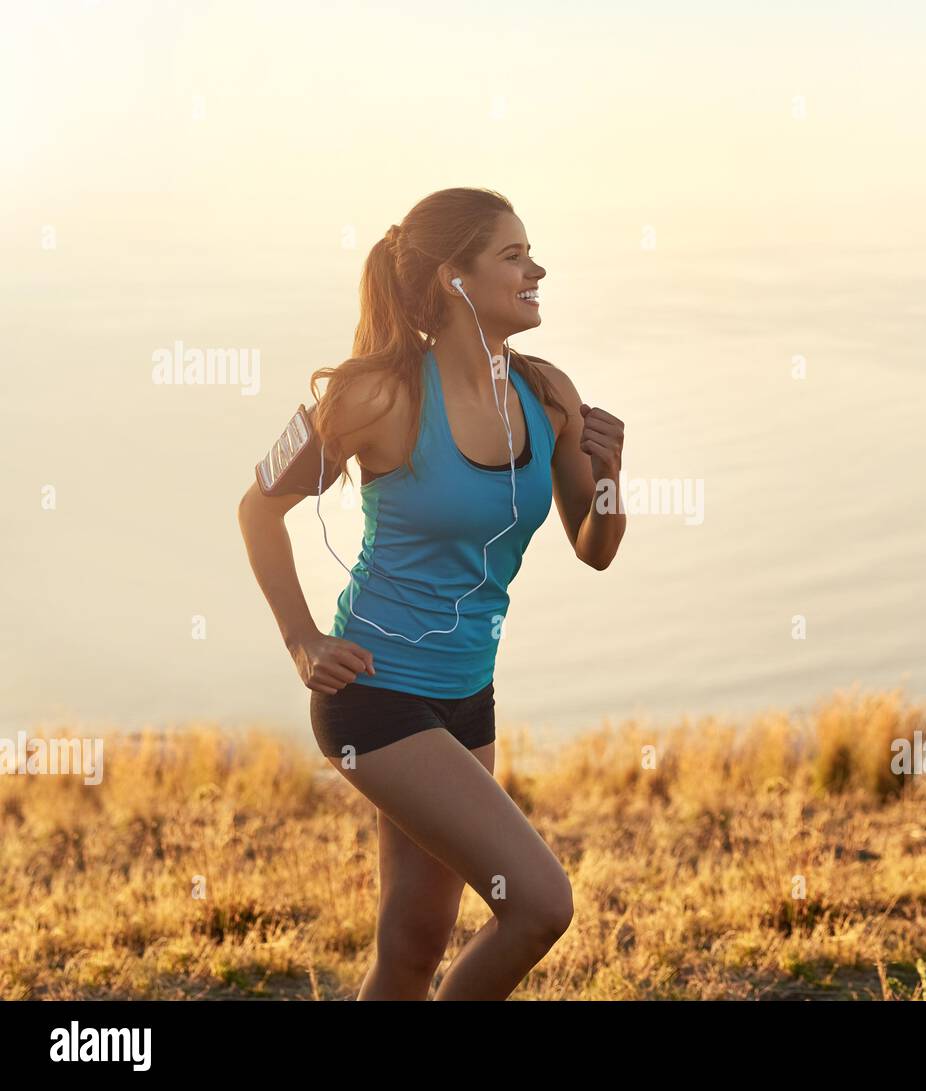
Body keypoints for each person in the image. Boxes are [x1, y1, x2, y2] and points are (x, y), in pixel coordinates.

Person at [237, 187, 626, 999]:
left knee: (413, 942)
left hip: (467, 696)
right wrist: (302, 638)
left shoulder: (548, 394)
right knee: (541, 904)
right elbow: (258, 505)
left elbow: (595, 548)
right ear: (454, 278)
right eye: (514, 255)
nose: (537, 268)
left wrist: (614, 479)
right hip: (374, 695)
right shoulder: (376, 393)